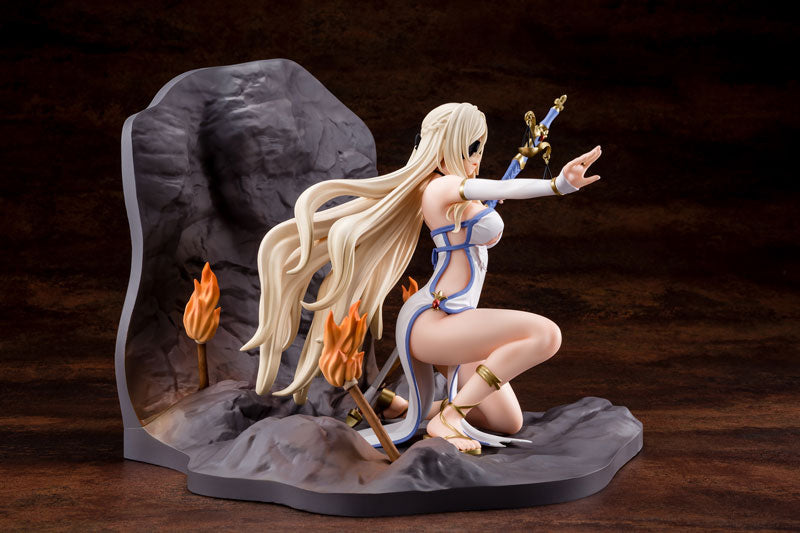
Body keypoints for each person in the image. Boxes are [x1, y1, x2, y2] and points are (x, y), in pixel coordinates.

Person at [242, 102, 601, 455]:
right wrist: (557, 185)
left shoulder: (456, 192)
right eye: (472, 148)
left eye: (480, 149)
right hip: (436, 320)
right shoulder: (441, 187)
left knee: (507, 421)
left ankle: (401, 407)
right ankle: (449, 419)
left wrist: (482, 205)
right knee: (546, 334)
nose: (477, 158)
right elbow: (503, 189)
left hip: (459, 320)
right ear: (448, 146)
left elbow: (488, 198)